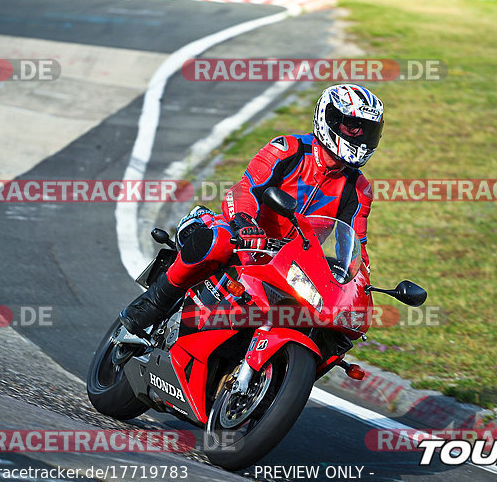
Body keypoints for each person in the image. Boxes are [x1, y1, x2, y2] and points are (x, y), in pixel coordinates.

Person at [119, 84, 384, 336]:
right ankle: (154, 303)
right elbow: (245, 189)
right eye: (353, 127)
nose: (360, 137)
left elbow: (355, 246)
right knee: (218, 241)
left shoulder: (359, 189)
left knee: (325, 314)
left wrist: (361, 288)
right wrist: (244, 221)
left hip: (290, 264)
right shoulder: (288, 149)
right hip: (243, 237)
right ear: (329, 119)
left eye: (368, 131)